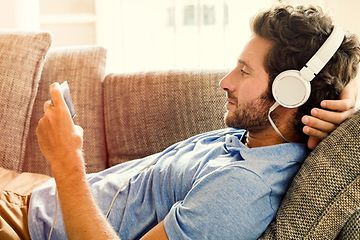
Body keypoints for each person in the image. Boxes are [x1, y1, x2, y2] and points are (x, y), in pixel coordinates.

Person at [1, 4, 359, 240]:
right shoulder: (254, 134)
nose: (225, 81)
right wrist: (346, 97)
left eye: (244, 71)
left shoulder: (241, 190)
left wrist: (65, 159)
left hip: (29, 225)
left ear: (290, 92)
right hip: (36, 194)